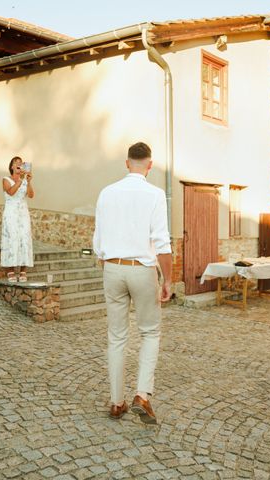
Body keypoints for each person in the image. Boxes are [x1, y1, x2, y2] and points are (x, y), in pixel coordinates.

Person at [93, 142, 173, 424]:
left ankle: (117, 402)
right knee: (150, 332)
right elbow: (162, 243)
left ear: (127, 163)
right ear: (149, 166)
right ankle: (142, 394)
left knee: (116, 336)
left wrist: (107, 262)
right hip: (142, 269)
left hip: (112, 268)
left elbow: (98, 240)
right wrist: (168, 280)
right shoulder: (155, 194)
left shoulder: (107, 193)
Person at [0, 156, 35, 282]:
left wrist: (29, 181)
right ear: (12, 167)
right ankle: (10, 270)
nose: (19, 164)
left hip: (23, 213)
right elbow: (10, 192)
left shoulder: (25, 181)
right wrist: (20, 181)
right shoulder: (6, 179)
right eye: (17, 163)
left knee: (24, 239)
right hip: (11, 213)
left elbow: (31, 195)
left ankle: (23, 271)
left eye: (21, 163)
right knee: (11, 238)